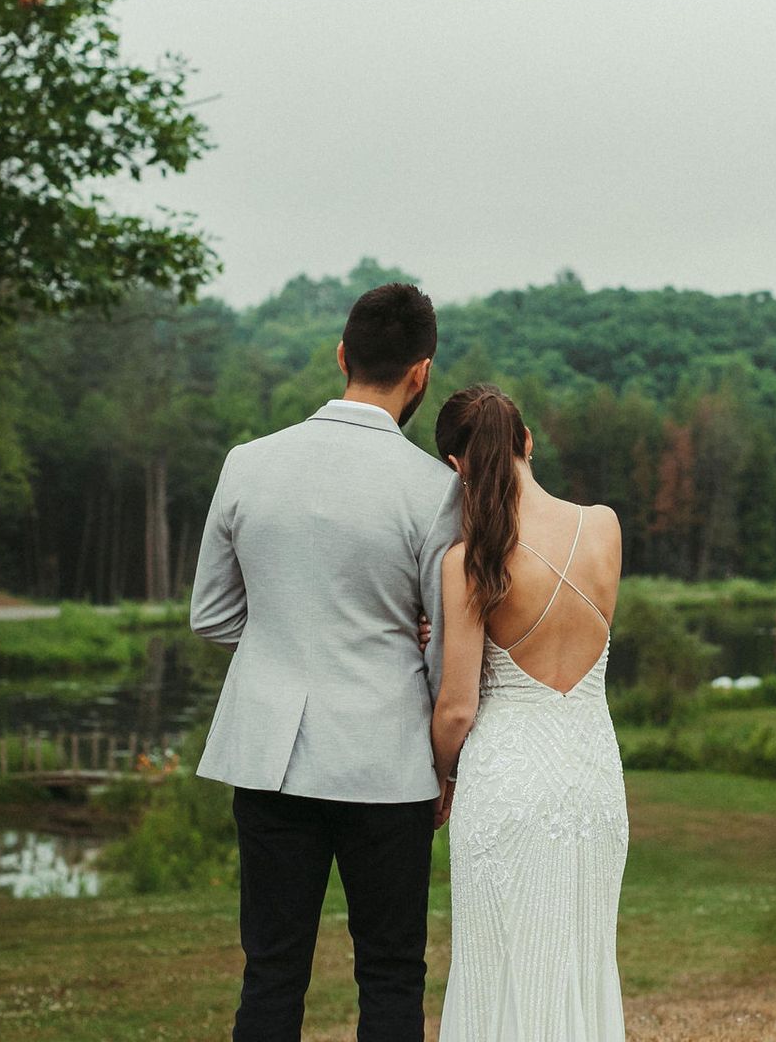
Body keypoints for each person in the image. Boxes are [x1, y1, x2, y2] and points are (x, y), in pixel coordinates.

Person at [189, 283, 461, 1042]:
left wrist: (284, 631)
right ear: (422, 374)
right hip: (388, 762)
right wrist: (447, 764)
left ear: (342, 357)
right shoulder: (436, 489)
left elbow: (210, 616)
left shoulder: (247, 463)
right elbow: (448, 644)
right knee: (391, 972)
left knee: (271, 971)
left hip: (271, 758)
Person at [431, 384, 628, 1041]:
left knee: (502, 969)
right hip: (595, 778)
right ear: (528, 442)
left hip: (507, 783)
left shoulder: (472, 561)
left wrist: (441, 775)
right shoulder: (604, 527)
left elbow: (457, 708)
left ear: (458, 465)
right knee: (581, 960)